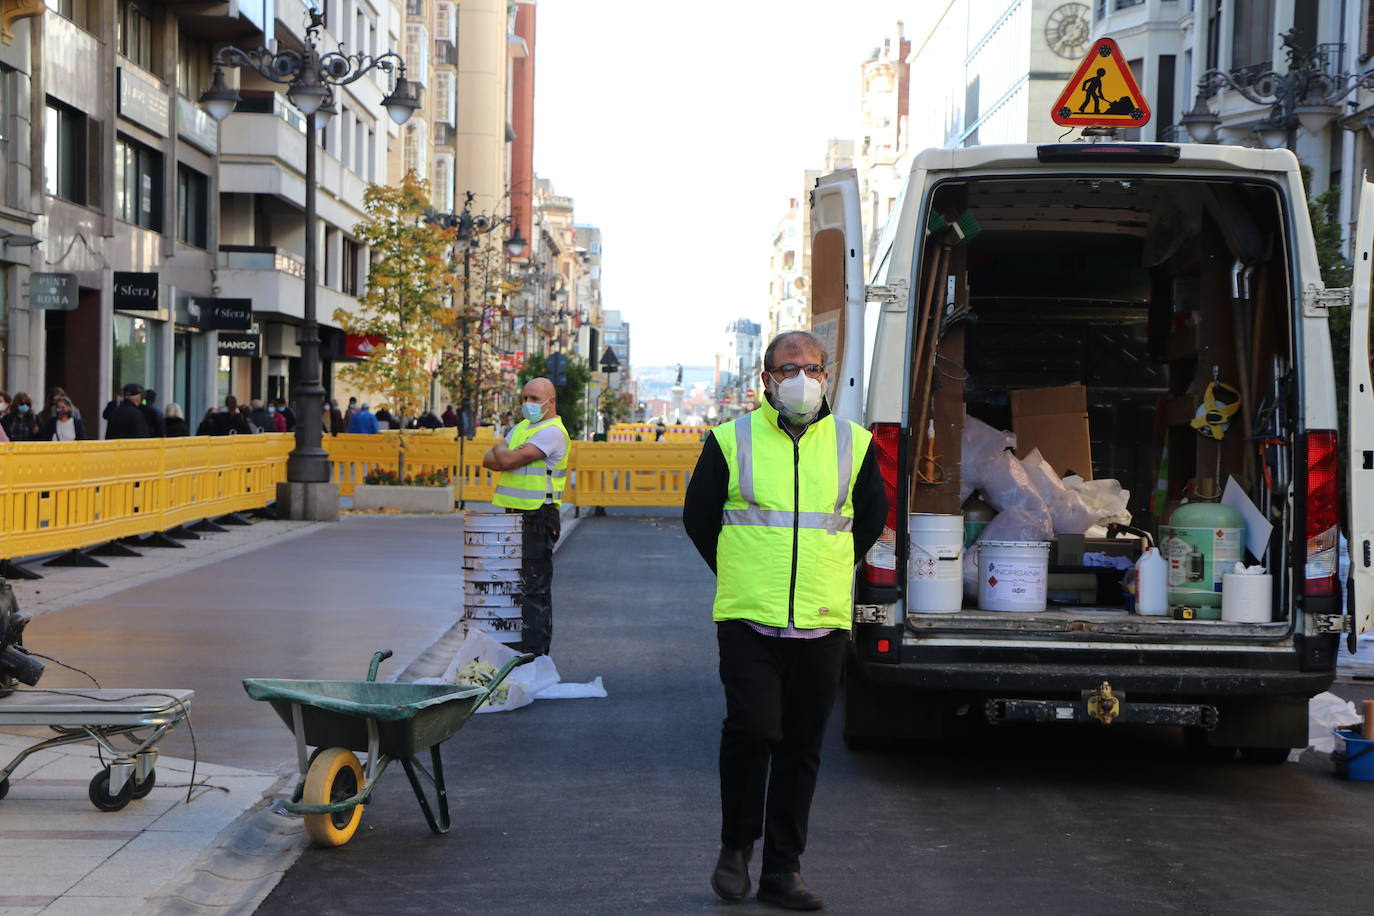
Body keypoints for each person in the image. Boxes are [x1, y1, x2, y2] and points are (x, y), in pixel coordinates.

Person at [682, 330, 886, 910]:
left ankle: (783, 871)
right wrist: (743, 574)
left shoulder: (854, 444)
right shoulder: (730, 440)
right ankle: (735, 846)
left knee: (801, 745)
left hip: (822, 621)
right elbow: (700, 519)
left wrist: (826, 572)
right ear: (766, 379)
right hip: (749, 616)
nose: (803, 378)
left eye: (814, 368)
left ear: (827, 376)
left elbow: (867, 520)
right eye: (790, 368)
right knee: (751, 728)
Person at [482, 377, 569, 657]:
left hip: (537, 518)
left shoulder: (552, 432)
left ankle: (535, 657)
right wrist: (506, 452)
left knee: (534, 590)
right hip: (513, 516)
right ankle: (517, 653)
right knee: (515, 587)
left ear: (550, 402)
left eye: (534, 398)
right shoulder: (522, 427)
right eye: (525, 398)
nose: (528, 404)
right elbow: (488, 458)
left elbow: (503, 460)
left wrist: (505, 452)